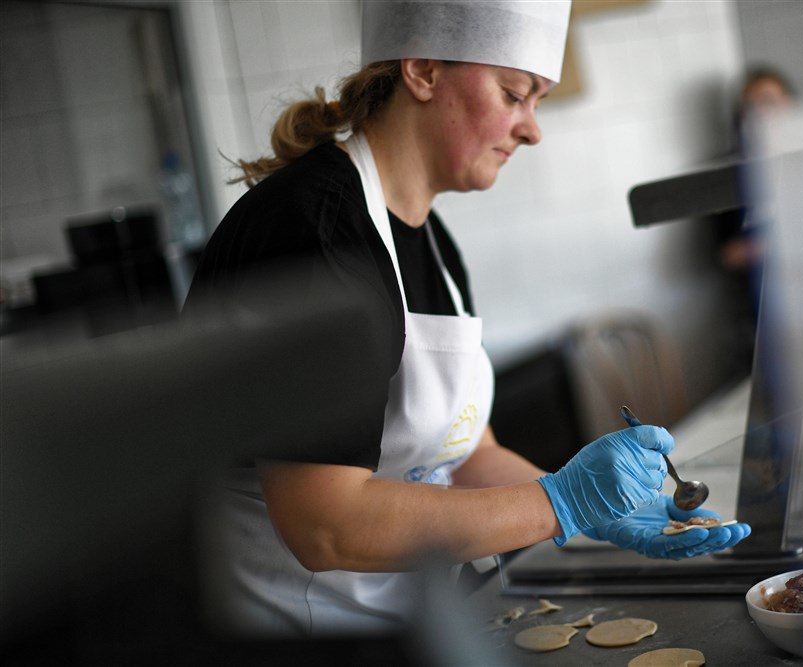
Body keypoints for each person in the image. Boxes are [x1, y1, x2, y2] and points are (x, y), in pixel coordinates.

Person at [185, 0, 750, 637]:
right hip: (299, 634)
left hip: (408, 620)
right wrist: (558, 504)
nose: (532, 130)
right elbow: (326, 525)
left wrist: (600, 509)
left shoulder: (431, 239)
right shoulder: (308, 234)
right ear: (423, 69)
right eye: (515, 94)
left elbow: (466, 454)